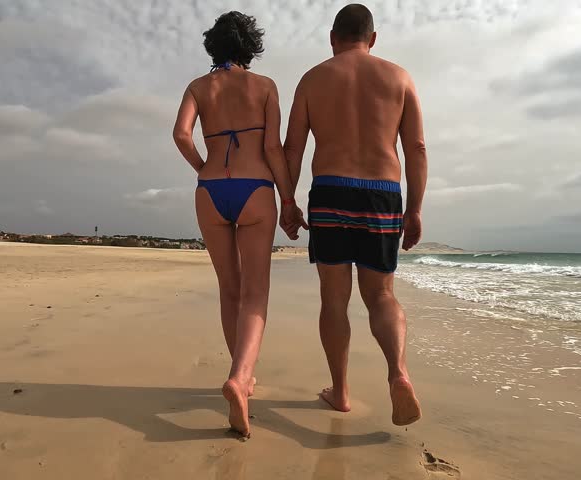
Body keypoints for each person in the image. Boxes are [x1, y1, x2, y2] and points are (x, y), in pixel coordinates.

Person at [282, 3, 427, 426]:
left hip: (330, 191)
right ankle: (398, 372)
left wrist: (287, 202)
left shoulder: (312, 79)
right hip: (383, 193)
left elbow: (293, 148)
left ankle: (341, 392)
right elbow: (416, 148)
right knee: (381, 296)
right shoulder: (399, 78)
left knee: (334, 299)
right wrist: (415, 208)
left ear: (332, 39)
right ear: (373, 38)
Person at [172, 11, 305, 437]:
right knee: (256, 293)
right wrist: (288, 200)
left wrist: (203, 168)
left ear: (213, 46)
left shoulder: (199, 87)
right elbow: (272, 148)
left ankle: (241, 377)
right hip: (255, 189)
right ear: (251, 46)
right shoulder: (264, 86)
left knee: (229, 289)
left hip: (210, 191)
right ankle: (240, 377)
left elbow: (180, 134)